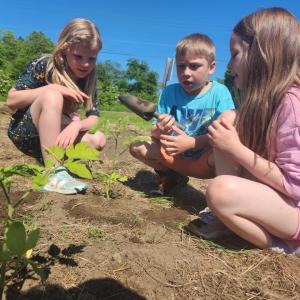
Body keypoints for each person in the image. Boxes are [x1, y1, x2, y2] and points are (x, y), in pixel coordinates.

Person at [194, 7, 300, 253]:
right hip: (274, 201)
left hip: (293, 209)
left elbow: (294, 186)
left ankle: (280, 246)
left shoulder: (292, 106)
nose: (229, 65)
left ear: (261, 55)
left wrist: (235, 149)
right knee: (226, 125)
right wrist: (230, 125)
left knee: (220, 191)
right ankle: (225, 219)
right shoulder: (262, 103)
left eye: (235, 54)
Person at [6, 18, 106, 195]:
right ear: (65, 48)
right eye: (78, 56)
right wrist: (51, 88)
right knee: (53, 96)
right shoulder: (45, 64)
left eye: (92, 59)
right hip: (25, 132)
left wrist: (77, 125)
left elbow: (94, 117)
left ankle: (56, 164)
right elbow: (12, 100)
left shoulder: (89, 79)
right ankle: (54, 173)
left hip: (56, 136)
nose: (85, 64)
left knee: (98, 139)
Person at [130, 33, 235, 195]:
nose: (186, 72)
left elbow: (224, 135)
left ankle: (223, 194)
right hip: (174, 155)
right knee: (137, 147)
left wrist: (192, 143)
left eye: (194, 66)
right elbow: (154, 133)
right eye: (181, 66)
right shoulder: (169, 92)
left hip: (204, 158)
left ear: (211, 67)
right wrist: (161, 128)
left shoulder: (219, 93)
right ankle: (172, 176)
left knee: (225, 153)